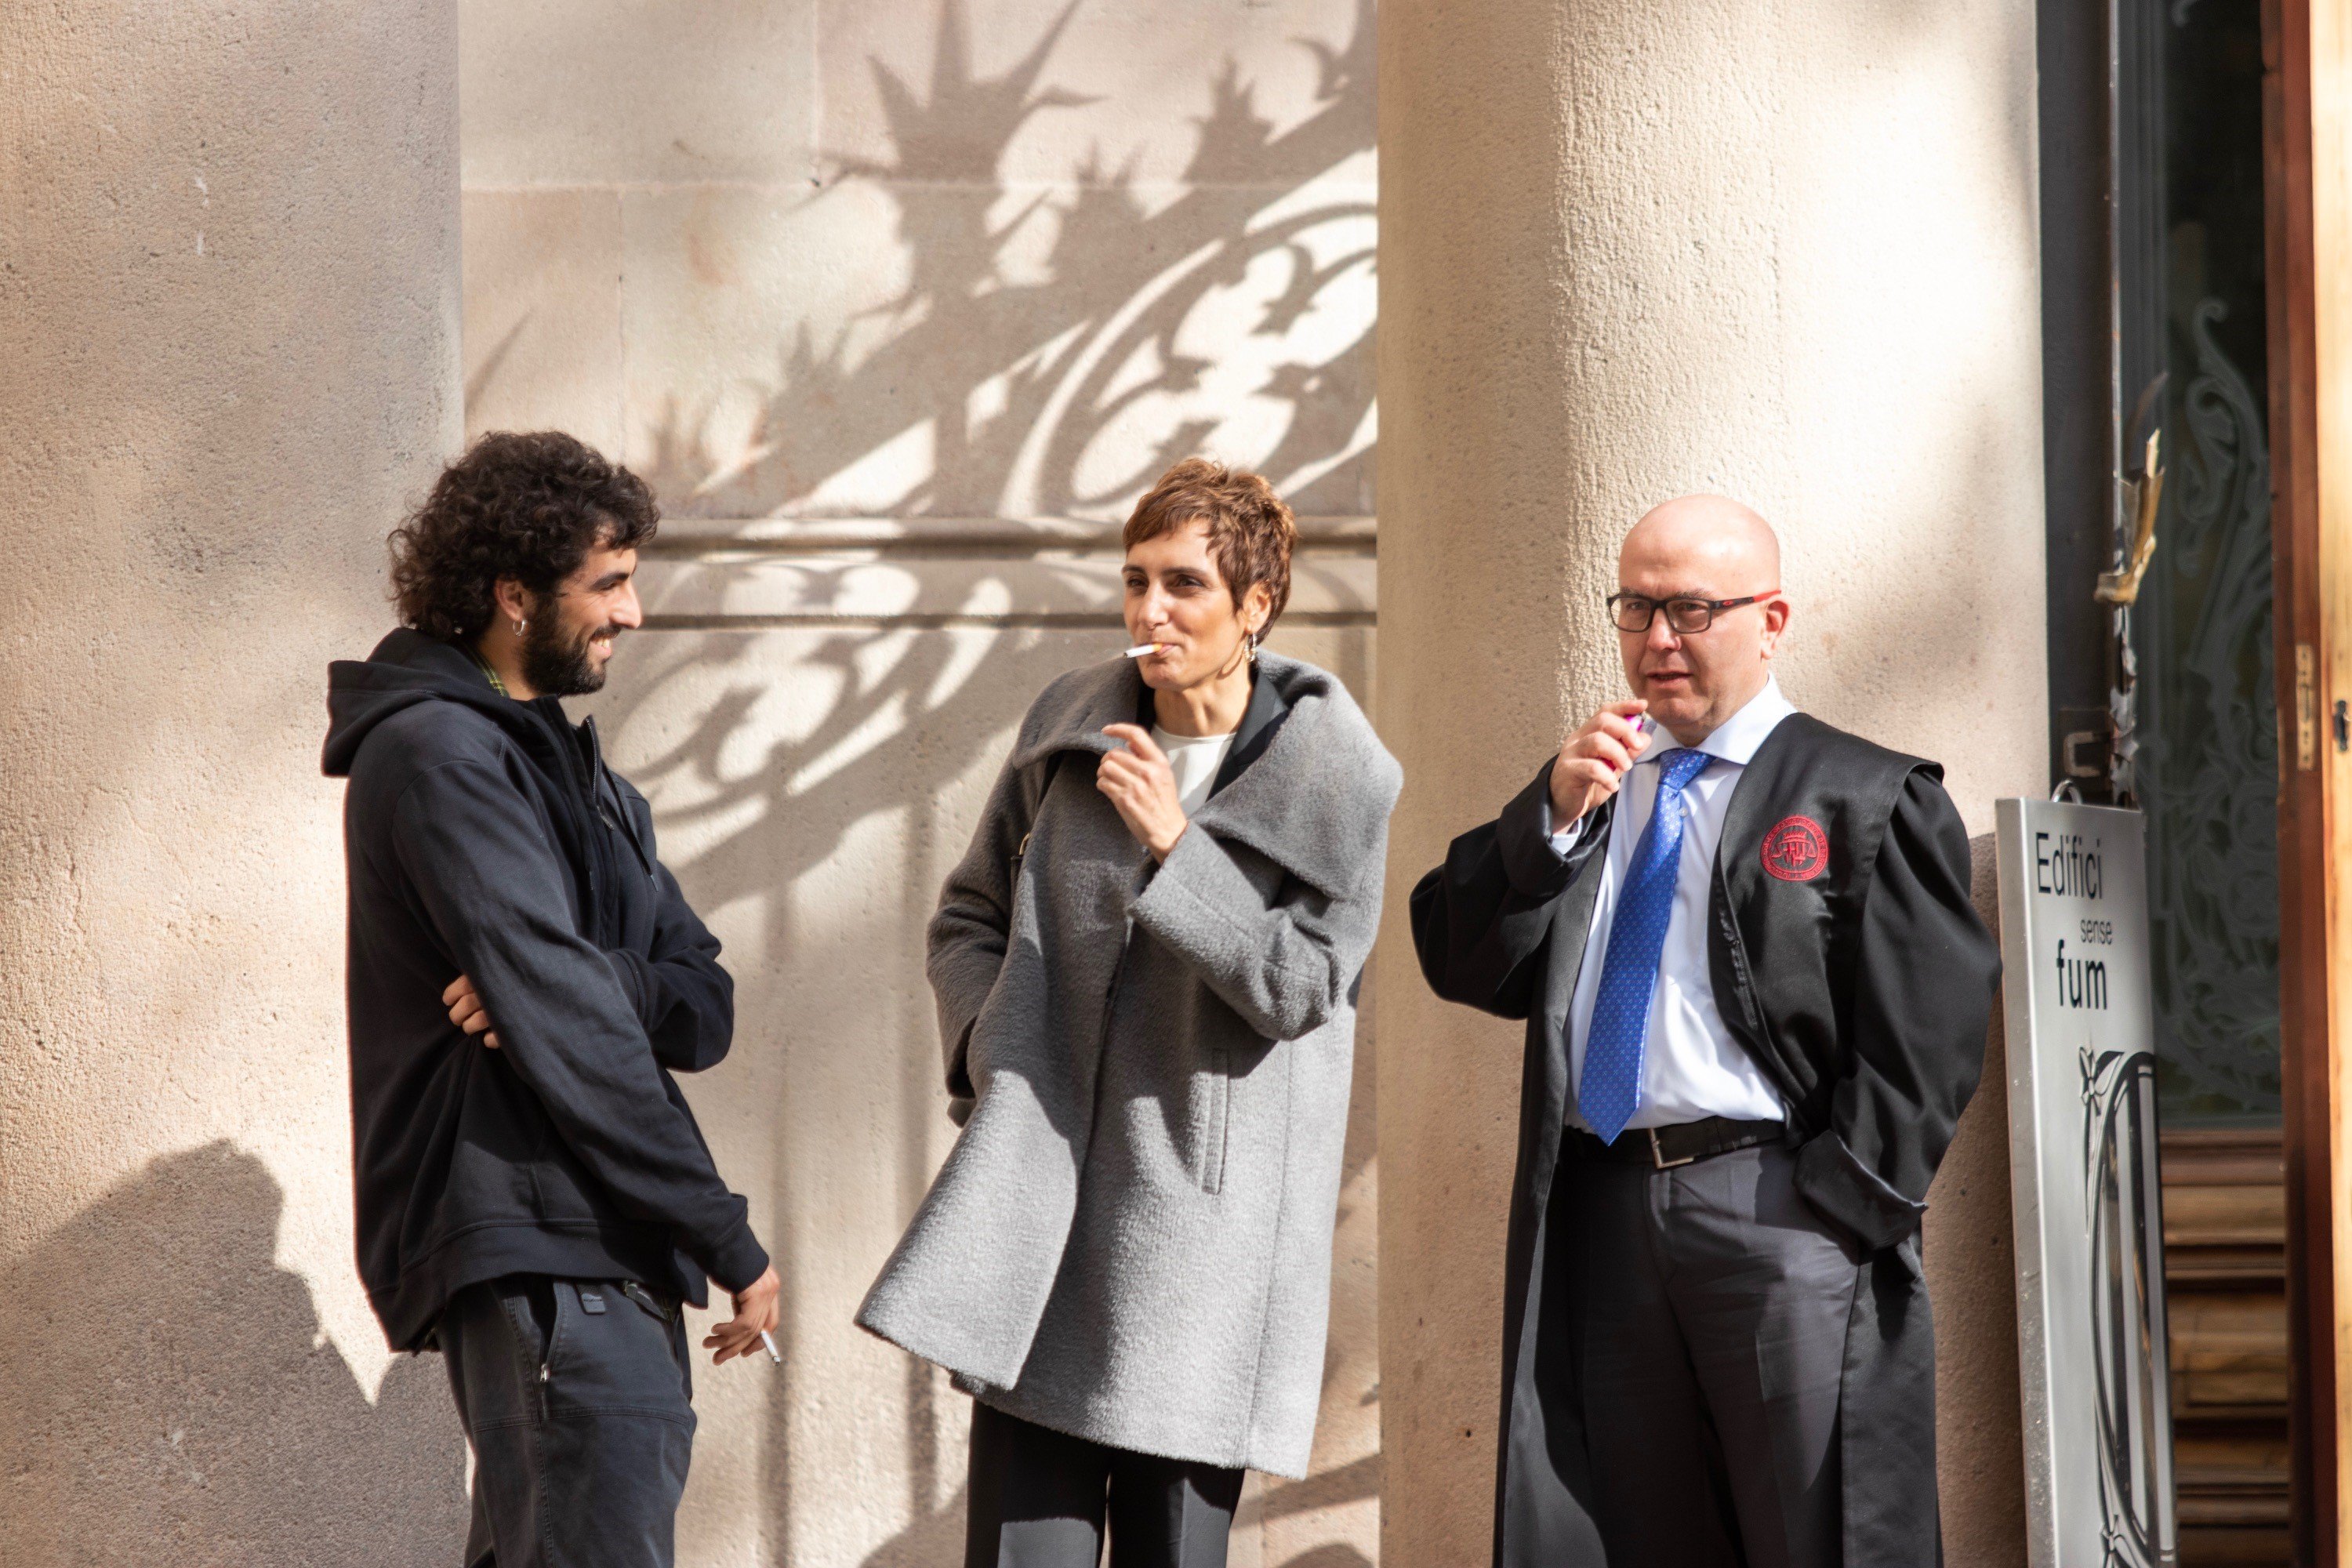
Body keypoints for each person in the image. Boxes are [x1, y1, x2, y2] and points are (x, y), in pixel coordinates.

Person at [1407, 495, 2000, 1568]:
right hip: (1607, 1213)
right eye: (1636, 608)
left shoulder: (1861, 794)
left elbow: (1932, 1032)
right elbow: (1460, 957)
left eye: (1691, 609)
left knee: (1817, 1535)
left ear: (1771, 620)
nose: (1659, 640)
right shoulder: (1597, 788)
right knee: (1637, 1536)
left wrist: (1839, 1207)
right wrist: (1545, 816)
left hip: (1779, 1218)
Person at [858, 458, 1402, 1567]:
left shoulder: (1339, 776)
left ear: (1256, 605)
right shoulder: (1070, 730)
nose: (1152, 611)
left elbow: (1302, 987)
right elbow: (967, 915)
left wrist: (1177, 848)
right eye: (1136, 580)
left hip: (1201, 1244)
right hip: (1039, 1217)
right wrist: (997, 1049)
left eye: (1186, 585)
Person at [322, 430, 782, 1568]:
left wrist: (601, 975)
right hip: (539, 1247)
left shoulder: (589, 784)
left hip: (601, 1247)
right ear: (513, 594)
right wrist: (725, 1232)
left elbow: (702, 1002)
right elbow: (567, 1029)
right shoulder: (437, 756)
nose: (634, 614)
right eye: (610, 584)